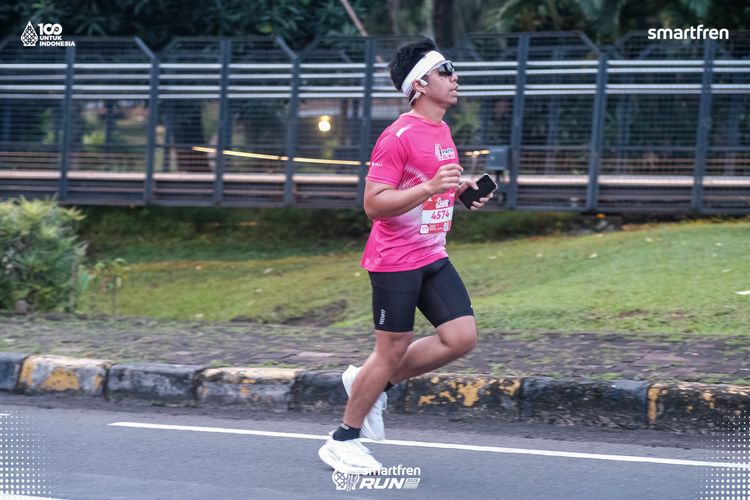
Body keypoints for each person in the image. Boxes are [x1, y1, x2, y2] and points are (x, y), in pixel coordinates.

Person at [317, 38, 495, 474]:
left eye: (452, 69)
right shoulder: (396, 136)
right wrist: (431, 187)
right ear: (419, 84)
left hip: (432, 252)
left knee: (461, 337)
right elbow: (374, 204)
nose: (455, 77)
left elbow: (425, 186)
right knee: (391, 350)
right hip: (396, 260)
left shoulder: (441, 131)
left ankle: (369, 383)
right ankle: (343, 440)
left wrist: (458, 191)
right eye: (445, 70)